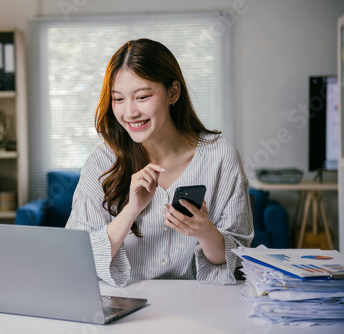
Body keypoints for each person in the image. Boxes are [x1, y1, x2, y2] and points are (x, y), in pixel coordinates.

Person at [65, 38, 253, 288]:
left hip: (201, 307)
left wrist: (204, 231)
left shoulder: (221, 156)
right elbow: (77, 258)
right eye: (118, 99)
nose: (130, 112)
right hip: (125, 308)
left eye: (142, 96)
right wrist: (131, 210)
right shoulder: (102, 161)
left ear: (173, 92)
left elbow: (238, 262)